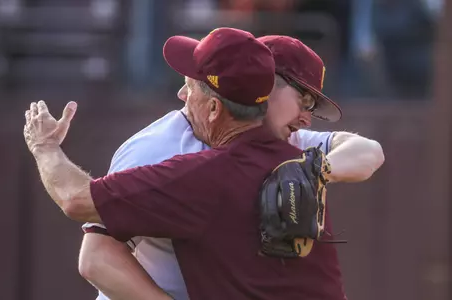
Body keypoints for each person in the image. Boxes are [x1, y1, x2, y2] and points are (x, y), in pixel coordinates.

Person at [24, 28, 383, 300]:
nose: (182, 94)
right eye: (303, 101)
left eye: (192, 85)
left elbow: (369, 153)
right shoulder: (163, 152)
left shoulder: (289, 152)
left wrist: (314, 172)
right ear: (265, 87)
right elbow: (95, 257)